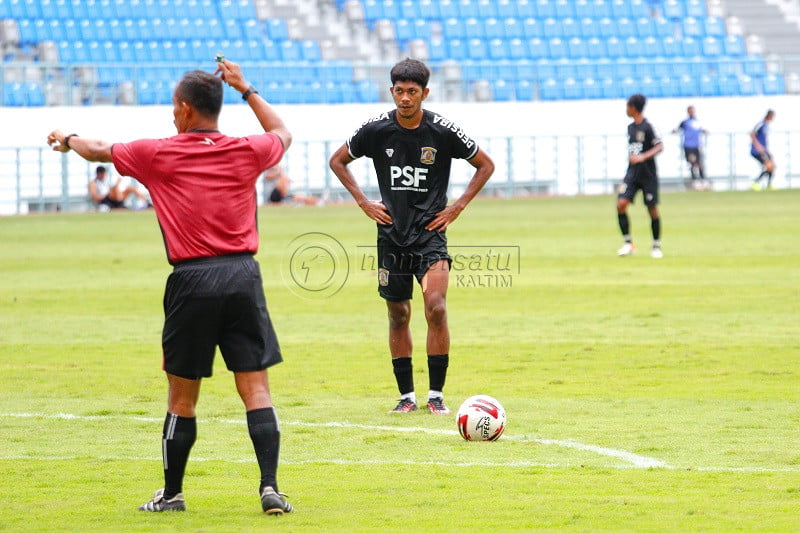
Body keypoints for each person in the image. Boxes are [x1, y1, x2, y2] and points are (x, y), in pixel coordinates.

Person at [47, 59, 294, 515]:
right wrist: (247, 88)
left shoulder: (157, 153)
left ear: (183, 109)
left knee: (182, 396)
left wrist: (68, 138)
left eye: (172, 107)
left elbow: (99, 150)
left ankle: (173, 494)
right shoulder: (246, 150)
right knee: (256, 389)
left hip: (192, 279)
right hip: (242, 275)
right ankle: (270, 488)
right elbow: (283, 132)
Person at [328, 58, 495, 415]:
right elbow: (337, 160)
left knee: (435, 306)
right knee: (398, 314)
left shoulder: (442, 130)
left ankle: (436, 396)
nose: (405, 98)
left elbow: (486, 164)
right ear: (392, 91)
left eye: (412, 92)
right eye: (399, 91)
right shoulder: (375, 129)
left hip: (430, 237)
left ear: (425, 93)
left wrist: (458, 206)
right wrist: (362, 201)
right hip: (391, 237)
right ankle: (407, 397)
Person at [617, 93, 664, 259]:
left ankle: (656, 245)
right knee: (621, 204)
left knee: (651, 208)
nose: (626, 110)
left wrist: (643, 157)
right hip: (632, 174)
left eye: (627, 106)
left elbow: (659, 146)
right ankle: (628, 243)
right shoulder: (630, 128)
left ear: (633, 108)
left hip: (648, 174)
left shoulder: (649, 127)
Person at [672, 105, 709, 190]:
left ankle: (703, 180)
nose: (692, 112)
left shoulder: (697, 121)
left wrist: (705, 131)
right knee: (692, 163)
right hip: (688, 145)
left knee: (700, 163)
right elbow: (678, 129)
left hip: (697, 145)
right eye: (690, 111)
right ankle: (695, 181)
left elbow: (700, 129)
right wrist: (674, 131)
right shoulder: (685, 122)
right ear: (688, 112)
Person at [750, 109, 776, 191]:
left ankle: (769, 185)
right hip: (757, 150)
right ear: (769, 115)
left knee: (772, 166)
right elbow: (752, 134)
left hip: (764, 150)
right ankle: (755, 183)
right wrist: (758, 147)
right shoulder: (761, 124)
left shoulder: (766, 125)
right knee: (768, 166)